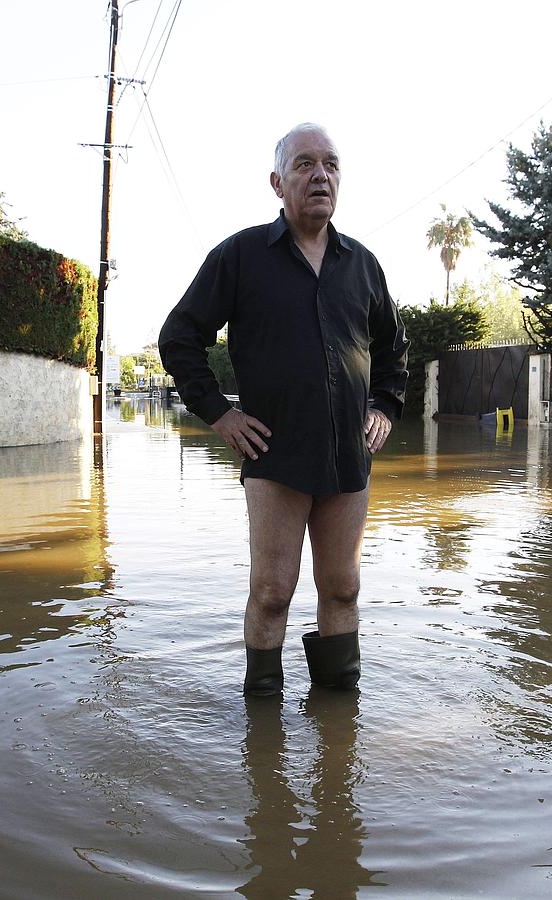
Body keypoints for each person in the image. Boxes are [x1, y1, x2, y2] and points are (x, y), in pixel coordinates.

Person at [158, 123, 409, 695]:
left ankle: (338, 720)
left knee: (342, 587)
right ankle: (263, 730)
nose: (320, 174)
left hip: (349, 454)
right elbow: (179, 337)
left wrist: (387, 407)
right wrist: (219, 414)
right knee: (272, 591)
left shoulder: (363, 265)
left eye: (331, 164)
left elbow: (395, 350)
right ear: (277, 182)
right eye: (304, 164)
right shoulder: (241, 256)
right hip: (275, 452)